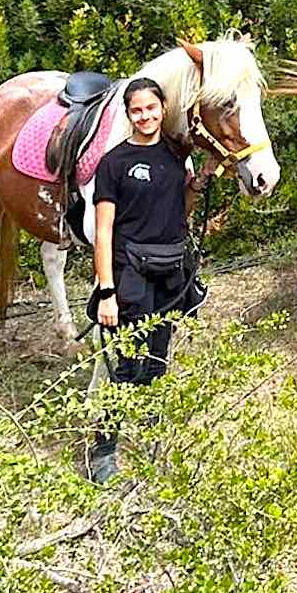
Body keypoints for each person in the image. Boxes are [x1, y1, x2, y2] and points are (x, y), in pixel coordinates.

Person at [87, 77, 193, 482]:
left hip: (170, 275)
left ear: (163, 108)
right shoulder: (114, 163)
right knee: (126, 365)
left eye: (151, 108)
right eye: (137, 110)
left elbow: (178, 208)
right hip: (130, 275)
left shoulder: (175, 156)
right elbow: (104, 230)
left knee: (157, 360)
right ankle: (104, 449)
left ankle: (151, 436)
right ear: (128, 114)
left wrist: (198, 184)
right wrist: (107, 291)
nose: (145, 116)